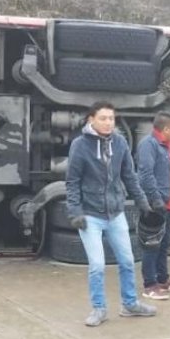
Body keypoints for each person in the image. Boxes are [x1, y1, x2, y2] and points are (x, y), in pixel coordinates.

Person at [65, 101, 157, 326]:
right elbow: (72, 182)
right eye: (103, 118)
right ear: (91, 120)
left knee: (127, 261)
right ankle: (99, 309)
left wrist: (143, 202)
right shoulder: (80, 145)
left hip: (116, 213)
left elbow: (129, 176)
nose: (108, 123)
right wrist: (75, 212)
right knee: (97, 265)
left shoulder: (120, 142)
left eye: (111, 119)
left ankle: (130, 304)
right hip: (90, 215)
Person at [136, 111, 170, 300]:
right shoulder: (148, 146)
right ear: (166, 129)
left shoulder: (167, 147)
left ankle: (163, 279)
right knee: (152, 244)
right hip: (155, 206)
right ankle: (149, 285)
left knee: (164, 243)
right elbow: (145, 175)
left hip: (169, 204)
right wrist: (156, 200)